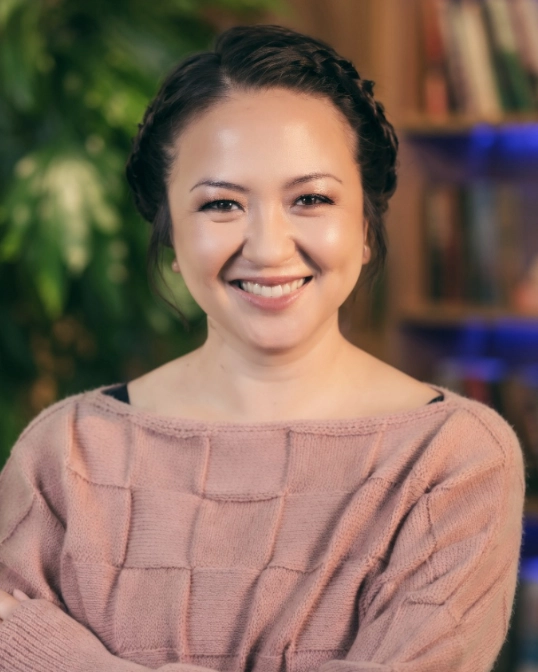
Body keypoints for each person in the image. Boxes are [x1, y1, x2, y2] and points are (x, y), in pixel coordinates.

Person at [0, 23, 525, 672]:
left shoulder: (456, 458)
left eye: (311, 199)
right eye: (221, 205)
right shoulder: (67, 451)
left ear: (365, 226)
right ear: (171, 236)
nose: (269, 248)